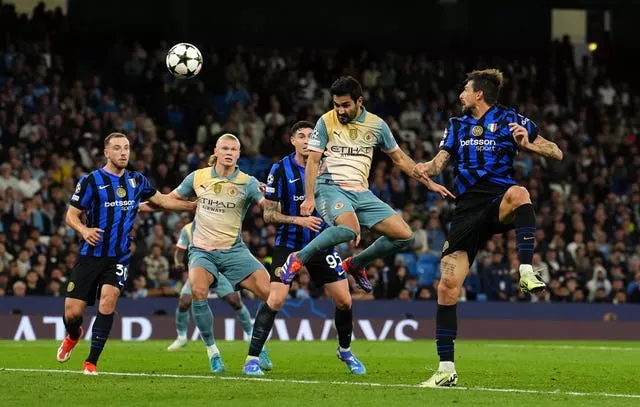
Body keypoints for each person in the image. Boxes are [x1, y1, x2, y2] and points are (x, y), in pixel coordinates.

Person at [413, 69, 563, 387]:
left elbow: (556, 151)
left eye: (465, 90)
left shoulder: (511, 119)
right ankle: (446, 369)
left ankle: (525, 270)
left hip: (498, 200)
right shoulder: (456, 125)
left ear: (479, 93)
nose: (460, 95)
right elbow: (440, 162)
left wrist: (530, 145)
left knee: (521, 193)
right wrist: (425, 167)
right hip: (466, 210)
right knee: (447, 287)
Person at [278, 76, 454, 289]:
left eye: (345, 105)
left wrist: (428, 183)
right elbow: (313, 160)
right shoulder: (325, 121)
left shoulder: (377, 125)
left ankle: (356, 263)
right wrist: (309, 197)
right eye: (336, 105)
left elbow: (399, 158)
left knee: (405, 236)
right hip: (330, 187)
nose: (340, 110)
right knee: (349, 230)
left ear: (359, 101)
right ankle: (298, 258)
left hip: (361, 193)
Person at [56, 132, 195, 375]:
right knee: (73, 313)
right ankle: (73, 334)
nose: (123, 152)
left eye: (127, 148)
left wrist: (193, 206)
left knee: (108, 301)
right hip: (91, 254)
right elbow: (71, 215)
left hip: (118, 255)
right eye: (117, 148)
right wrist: (83, 229)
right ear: (106, 152)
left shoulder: (136, 180)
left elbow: (161, 201)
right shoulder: (90, 181)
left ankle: (91, 362)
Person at [243, 121, 365, 376]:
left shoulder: (329, 167)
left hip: (322, 242)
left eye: (312, 135)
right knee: (275, 298)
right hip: (289, 244)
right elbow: (268, 215)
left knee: (344, 300)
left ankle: (345, 351)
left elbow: (346, 202)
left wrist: (354, 226)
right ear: (293, 141)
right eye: (302, 136)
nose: (308, 139)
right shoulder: (280, 169)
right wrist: (298, 220)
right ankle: (252, 358)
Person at [170, 133, 272, 373]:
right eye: (224, 148)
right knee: (197, 291)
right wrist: (136, 207)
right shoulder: (197, 177)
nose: (228, 152)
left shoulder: (247, 182)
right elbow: (168, 199)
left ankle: (260, 347)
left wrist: (274, 196)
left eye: (233, 149)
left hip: (234, 250)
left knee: (272, 295)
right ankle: (213, 353)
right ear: (216, 151)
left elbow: (266, 208)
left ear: (238, 154)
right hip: (202, 252)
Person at [166, 220, 272, 371]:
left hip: (222, 269)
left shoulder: (225, 219)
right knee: (184, 301)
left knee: (235, 301)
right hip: (200, 266)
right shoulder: (187, 229)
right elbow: (180, 250)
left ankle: (255, 342)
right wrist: (178, 262)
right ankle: (182, 337)